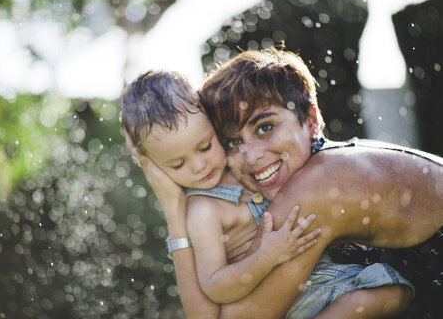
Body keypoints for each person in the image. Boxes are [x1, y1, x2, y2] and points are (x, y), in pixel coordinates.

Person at [121, 70, 415, 318]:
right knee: (370, 299)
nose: (199, 166)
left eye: (205, 146)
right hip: (291, 298)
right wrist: (268, 256)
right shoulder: (203, 210)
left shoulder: (239, 169)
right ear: (155, 168)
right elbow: (214, 285)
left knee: (396, 291)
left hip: (323, 278)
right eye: (177, 164)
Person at [198, 47, 443, 318]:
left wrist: (175, 206)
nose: (252, 156)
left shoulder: (315, 186)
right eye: (233, 142)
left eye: (265, 127)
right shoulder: (330, 164)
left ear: (311, 120)